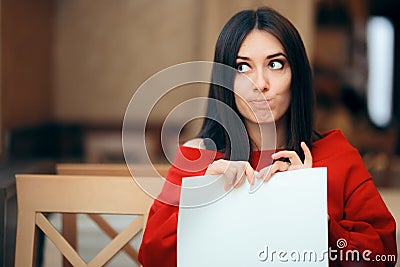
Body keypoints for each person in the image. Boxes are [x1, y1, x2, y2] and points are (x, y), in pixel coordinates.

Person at [138, 6, 397, 267]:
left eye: (275, 64)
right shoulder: (198, 157)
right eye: (242, 67)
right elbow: (152, 258)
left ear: (296, 75)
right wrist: (203, 198)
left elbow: (383, 256)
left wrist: (318, 219)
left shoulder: (337, 156)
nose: (260, 83)